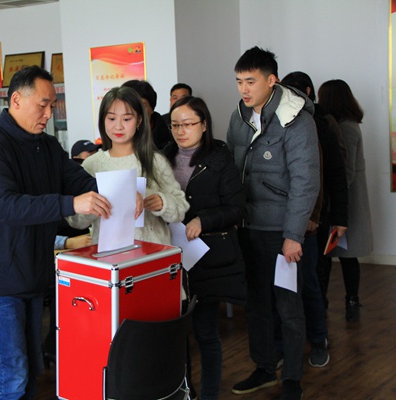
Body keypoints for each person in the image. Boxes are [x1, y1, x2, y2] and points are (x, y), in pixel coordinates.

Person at [0, 65, 116, 399]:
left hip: (33, 275)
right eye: (43, 105)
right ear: (16, 100)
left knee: (30, 372)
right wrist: (70, 203)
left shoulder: (46, 146)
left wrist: (116, 193)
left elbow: (79, 181)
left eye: (53, 105)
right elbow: (6, 206)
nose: (49, 113)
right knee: (11, 378)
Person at [226, 47, 319, 400]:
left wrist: (293, 235)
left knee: (288, 306)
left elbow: (305, 182)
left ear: (271, 80)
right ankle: (265, 367)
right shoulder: (239, 115)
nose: (244, 89)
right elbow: (231, 171)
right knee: (256, 304)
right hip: (248, 227)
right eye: (239, 81)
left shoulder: (297, 119)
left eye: (250, 81)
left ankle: (292, 377)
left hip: (282, 232)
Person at [163, 96, 245, 400]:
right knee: (176, 336)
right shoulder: (163, 158)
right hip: (172, 258)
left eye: (188, 124)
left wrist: (203, 219)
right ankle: (185, 391)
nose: (181, 131)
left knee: (206, 332)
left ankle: (209, 394)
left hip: (207, 258)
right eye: (175, 125)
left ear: (204, 124)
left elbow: (236, 208)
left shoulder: (220, 160)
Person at [279, 71, 350, 368]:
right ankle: (285, 345)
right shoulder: (273, 125)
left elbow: (330, 177)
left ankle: (318, 340)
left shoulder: (319, 126)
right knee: (283, 287)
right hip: (278, 222)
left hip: (310, 222)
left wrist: (322, 217)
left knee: (310, 282)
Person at [68, 85, 189, 246]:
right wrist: (94, 206)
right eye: (111, 119)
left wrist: (162, 202)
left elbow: (181, 209)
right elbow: (75, 221)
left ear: (139, 120)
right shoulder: (91, 165)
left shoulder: (154, 161)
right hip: (109, 254)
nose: (118, 126)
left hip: (152, 253)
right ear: (103, 120)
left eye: (126, 119)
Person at [317, 79, 373, 322]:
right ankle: (348, 300)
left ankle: (348, 299)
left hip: (347, 200)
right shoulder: (349, 124)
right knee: (339, 254)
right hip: (347, 198)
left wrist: (334, 199)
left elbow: (346, 171)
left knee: (342, 254)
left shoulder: (345, 127)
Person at [121, 79, 172, 150]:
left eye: (142, 105)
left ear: (152, 108)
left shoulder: (169, 141)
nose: (135, 110)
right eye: (129, 104)